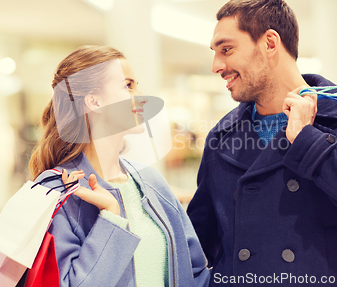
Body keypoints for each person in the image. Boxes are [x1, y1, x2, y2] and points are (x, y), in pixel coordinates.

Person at [186, 0, 337, 286]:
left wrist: (310, 143)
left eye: (226, 50)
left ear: (270, 43)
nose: (216, 66)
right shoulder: (221, 138)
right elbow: (198, 240)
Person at [29, 45, 210, 287]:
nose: (141, 95)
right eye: (128, 85)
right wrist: (111, 220)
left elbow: (195, 271)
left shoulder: (151, 182)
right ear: (93, 101)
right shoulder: (59, 193)